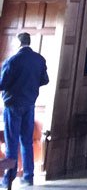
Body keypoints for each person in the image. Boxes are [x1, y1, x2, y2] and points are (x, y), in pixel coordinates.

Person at [0, 32, 49, 188]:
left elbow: (2, 83)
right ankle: (28, 176)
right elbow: (45, 80)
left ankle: (8, 178)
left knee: (11, 143)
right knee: (26, 141)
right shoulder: (39, 60)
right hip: (30, 104)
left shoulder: (13, 60)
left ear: (18, 43)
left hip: (13, 105)